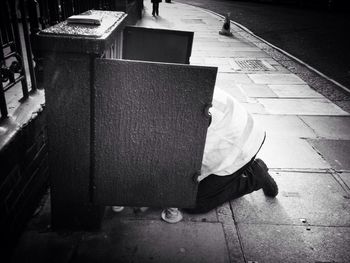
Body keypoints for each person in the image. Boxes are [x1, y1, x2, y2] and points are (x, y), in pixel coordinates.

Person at [182, 88, 278, 214]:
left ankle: (255, 175)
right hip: (242, 131)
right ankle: (246, 170)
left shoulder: (196, 134)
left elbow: (197, 170)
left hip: (243, 146)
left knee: (192, 202)